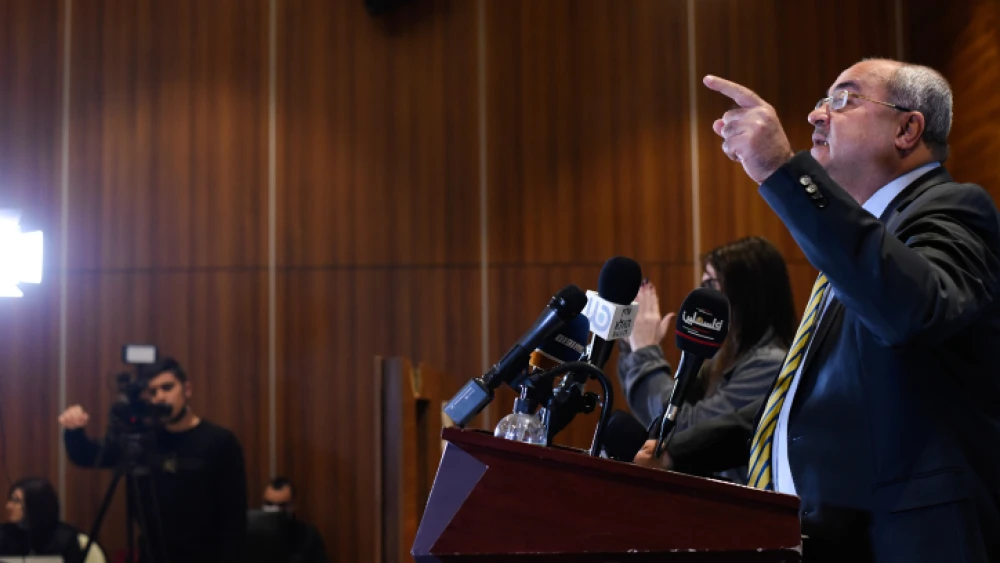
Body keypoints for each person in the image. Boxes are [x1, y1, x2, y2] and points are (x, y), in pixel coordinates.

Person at [641, 59, 1000, 562]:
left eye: (843, 100)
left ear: (907, 128)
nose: (815, 115)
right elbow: (800, 404)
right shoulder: (856, 247)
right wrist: (681, 449)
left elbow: (912, 311)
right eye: (820, 100)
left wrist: (782, 171)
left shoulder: (953, 209)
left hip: (913, 542)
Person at [617, 236, 797, 482]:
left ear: (749, 292)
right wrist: (632, 344)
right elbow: (659, 422)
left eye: (712, 282)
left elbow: (686, 432)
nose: (703, 292)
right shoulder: (724, 358)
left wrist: (645, 351)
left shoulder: (770, 364)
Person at [59, 357, 248, 563]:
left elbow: (234, 519)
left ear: (187, 390)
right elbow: (87, 456)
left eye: (167, 388)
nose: (160, 397)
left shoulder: (219, 442)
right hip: (152, 555)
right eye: (153, 392)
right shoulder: (141, 440)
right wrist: (73, 430)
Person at [0, 477, 85, 562]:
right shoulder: (3, 535)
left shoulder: (65, 538)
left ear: (35, 505)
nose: (8, 506)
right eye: (10, 499)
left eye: (16, 501)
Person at [260, 477, 328, 563]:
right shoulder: (253, 536)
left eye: (282, 505)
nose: (275, 510)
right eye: (269, 504)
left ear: (293, 505)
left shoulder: (307, 536)